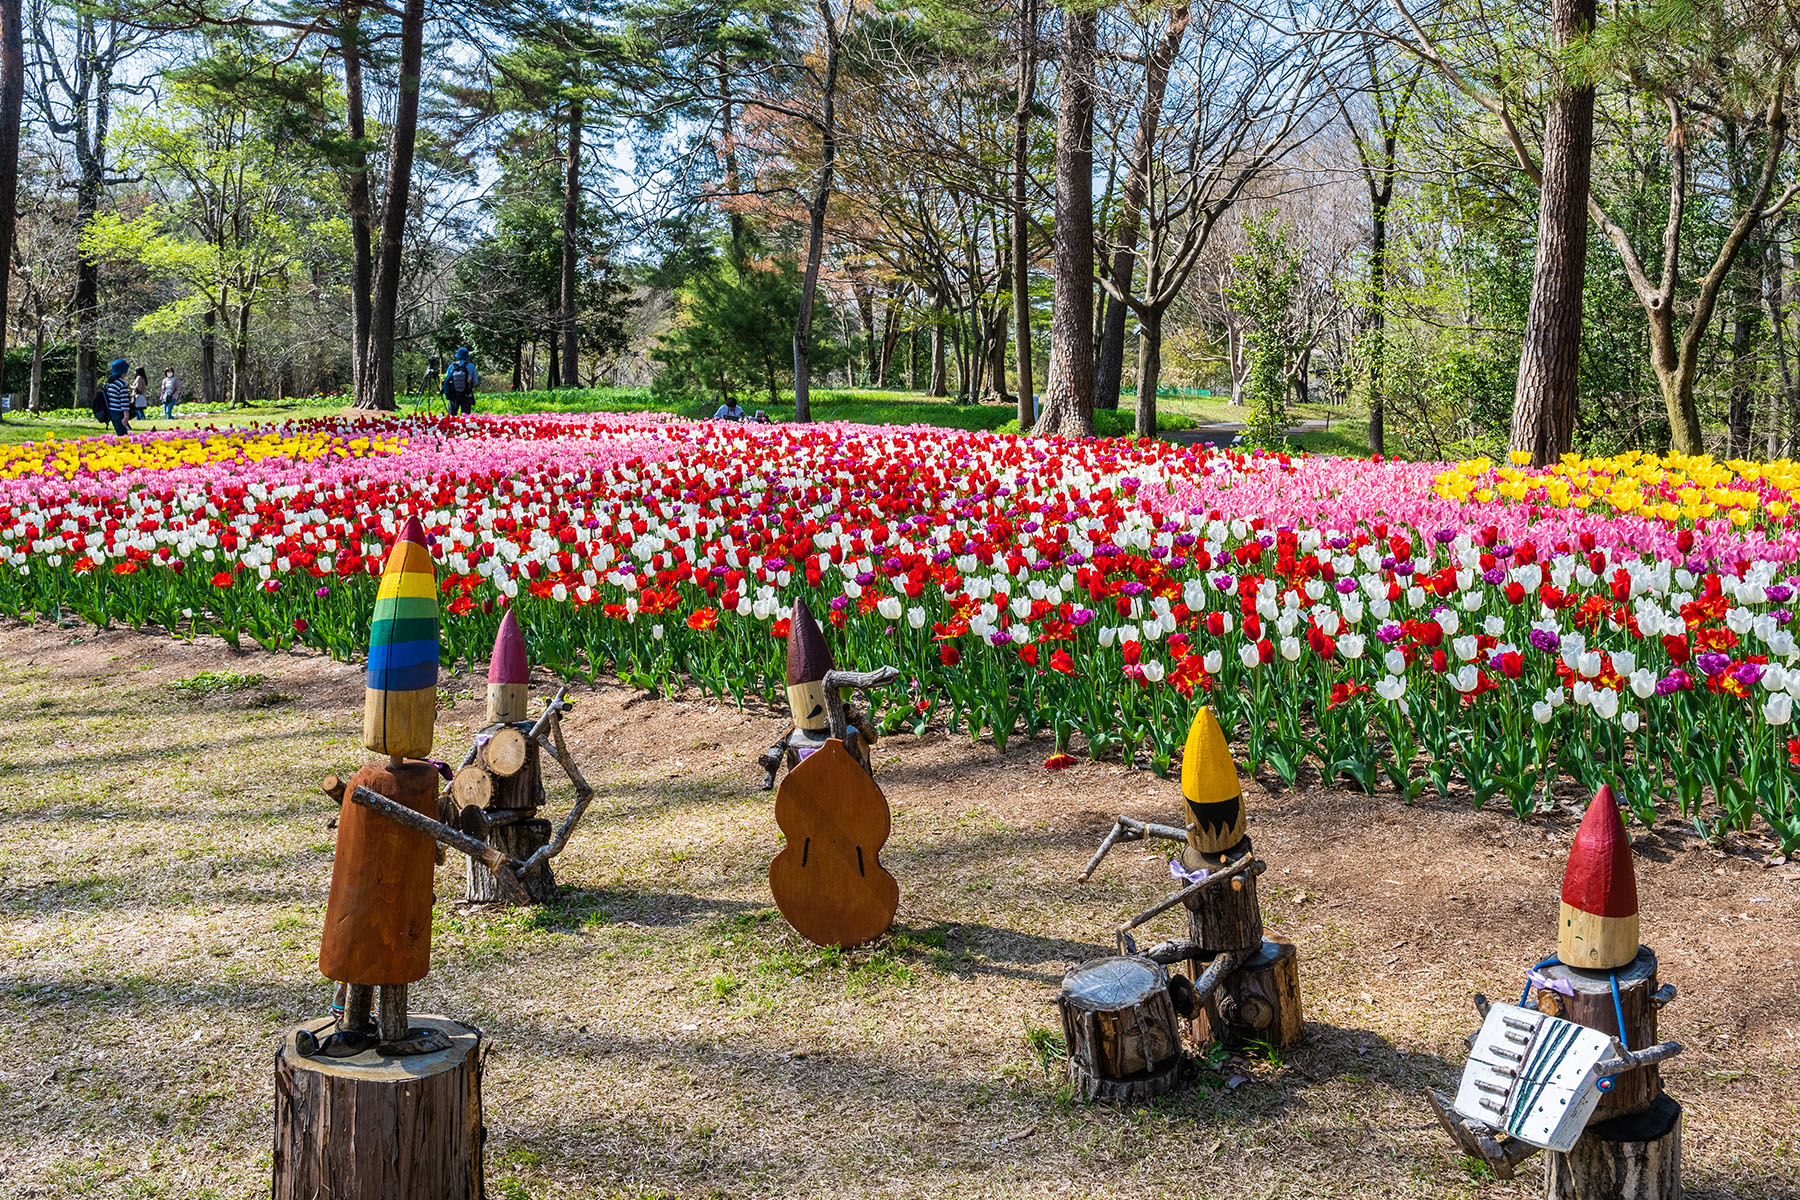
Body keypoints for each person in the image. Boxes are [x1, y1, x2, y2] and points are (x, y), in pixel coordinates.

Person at [441, 347, 478, 415]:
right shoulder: (471, 366)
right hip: (467, 394)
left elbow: (447, 380)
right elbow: (475, 381)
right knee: (465, 418)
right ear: (466, 357)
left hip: (453, 395)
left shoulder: (452, 366)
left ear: (457, 356)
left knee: (452, 417)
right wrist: (468, 387)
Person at [102, 359, 133, 436]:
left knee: (119, 433)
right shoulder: (122, 383)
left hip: (112, 412)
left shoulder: (111, 383)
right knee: (123, 436)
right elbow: (124, 401)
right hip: (120, 413)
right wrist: (126, 416)